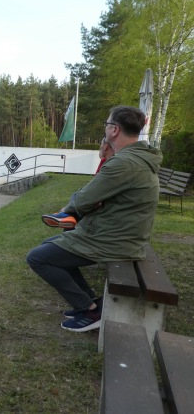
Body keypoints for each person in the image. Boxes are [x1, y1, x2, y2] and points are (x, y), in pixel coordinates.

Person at [26, 105, 162, 333]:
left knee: (38, 258)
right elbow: (95, 196)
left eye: (107, 124)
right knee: (50, 247)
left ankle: (89, 310)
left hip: (115, 240)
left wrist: (73, 206)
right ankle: (91, 302)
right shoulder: (137, 159)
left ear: (114, 130)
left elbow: (83, 199)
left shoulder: (124, 163)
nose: (106, 129)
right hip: (122, 234)